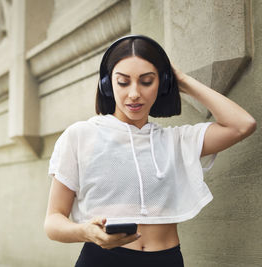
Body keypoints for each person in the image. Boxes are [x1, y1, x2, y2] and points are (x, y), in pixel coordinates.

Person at [44, 35, 256, 267]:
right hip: (101, 260)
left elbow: (242, 125)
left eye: (146, 81)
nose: (134, 93)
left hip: (166, 260)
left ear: (162, 83)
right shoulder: (80, 136)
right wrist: (86, 232)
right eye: (123, 82)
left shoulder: (176, 141)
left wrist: (182, 81)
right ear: (107, 84)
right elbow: (53, 221)